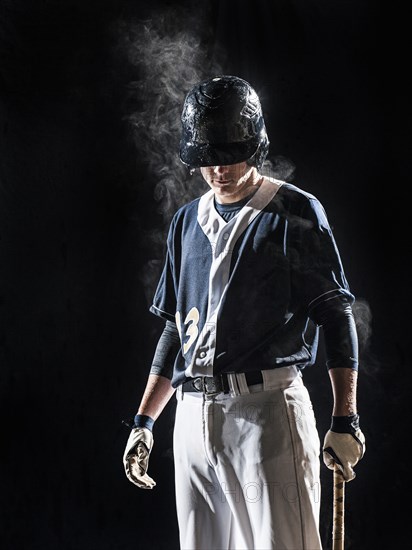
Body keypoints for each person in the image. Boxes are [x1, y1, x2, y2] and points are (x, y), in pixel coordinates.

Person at [122, 75, 366, 550]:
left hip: (266, 415)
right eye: (207, 158)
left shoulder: (295, 213)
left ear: (256, 145)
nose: (218, 168)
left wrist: (345, 420)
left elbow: (337, 316)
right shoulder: (185, 221)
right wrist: (144, 421)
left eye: (229, 154)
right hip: (192, 418)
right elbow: (177, 329)